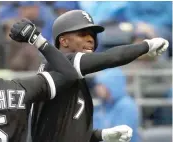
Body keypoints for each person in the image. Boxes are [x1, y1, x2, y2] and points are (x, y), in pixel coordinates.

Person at [30, 10, 169, 142]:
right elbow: (112, 57)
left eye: (92, 35)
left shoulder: (73, 80)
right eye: (82, 34)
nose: (90, 39)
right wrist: (146, 46)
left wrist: (101, 135)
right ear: (64, 41)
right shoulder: (60, 64)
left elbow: (65, 134)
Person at [93, 67, 139, 142]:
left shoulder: (127, 106)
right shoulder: (101, 106)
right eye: (97, 84)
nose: (97, 88)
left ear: (113, 84)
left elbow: (120, 137)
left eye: (101, 84)